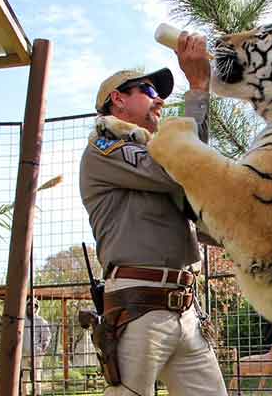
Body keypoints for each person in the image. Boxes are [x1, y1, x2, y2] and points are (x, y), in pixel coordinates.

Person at [79, 32, 228, 396]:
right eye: (147, 90)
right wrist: (197, 87)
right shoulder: (105, 146)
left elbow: (195, 174)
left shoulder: (155, 153)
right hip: (137, 306)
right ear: (118, 100)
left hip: (188, 309)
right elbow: (180, 167)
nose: (159, 99)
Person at [21, 297, 51, 396]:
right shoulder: (22, 321)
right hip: (24, 353)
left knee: (36, 376)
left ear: (36, 308)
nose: (31, 308)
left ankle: (37, 393)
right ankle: (24, 394)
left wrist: (43, 348)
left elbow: (47, 337)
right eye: (29, 306)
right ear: (26, 307)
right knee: (24, 377)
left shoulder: (41, 321)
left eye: (34, 306)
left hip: (37, 353)